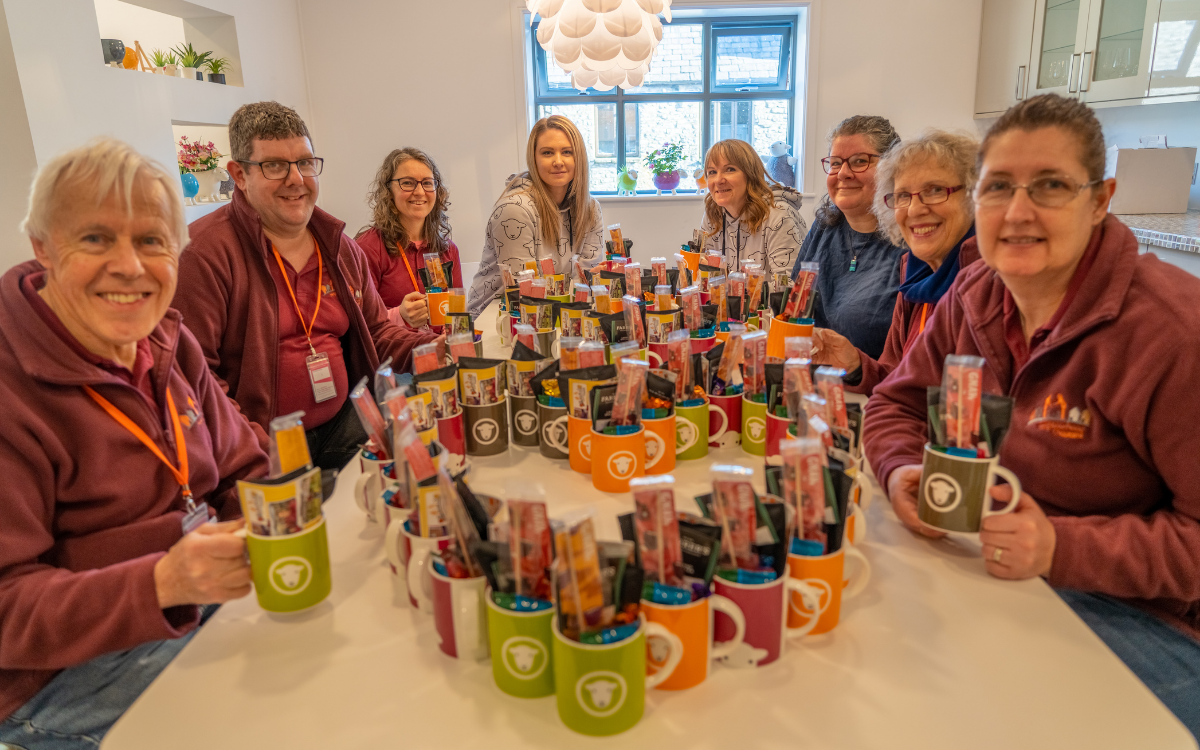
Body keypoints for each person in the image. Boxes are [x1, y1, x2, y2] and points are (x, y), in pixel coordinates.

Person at [864, 94, 1200, 735]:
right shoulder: (975, 294)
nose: (1017, 213)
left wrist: (1058, 546)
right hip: (996, 573)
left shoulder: (1172, 332)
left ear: (1100, 200)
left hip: (1134, 615)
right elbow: (895, 404)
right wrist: (903, 471)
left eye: (1049, 186)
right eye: (997, 189)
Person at [0, 139, 269, 750]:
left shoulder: (170, 342)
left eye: (151, 241)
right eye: (95, 239)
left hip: (192, 601)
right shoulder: (10, 384)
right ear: (42, 247)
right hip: (57, 674)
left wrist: (267, 528)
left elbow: (245, 467)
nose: (131, 267)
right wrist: (161, 584)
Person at [175, 102, 440, 470]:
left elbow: (376, 331)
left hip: (347, 427)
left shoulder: (339, 247)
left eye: (304, 163)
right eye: (274, 166)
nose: (296, 179)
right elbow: (195, 378)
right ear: (238, 174)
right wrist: (256, 453)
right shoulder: (204, 254)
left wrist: (435, 350)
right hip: (264, 451)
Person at [812, 130, 978, 395]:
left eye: (935, 190)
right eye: (903, 196)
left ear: (975, 196)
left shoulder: (990, 283)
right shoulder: (916, 276)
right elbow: (898, 381)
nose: (914, 209)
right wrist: (856, 366)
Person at [791, 115, 905, 359]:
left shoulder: (908, 241)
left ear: (892, 167)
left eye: (859, 161)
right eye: (834, 163)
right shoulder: (825, 226)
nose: (843, 173)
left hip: (870, 388)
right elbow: (793, 305)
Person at [466, 115, 604, 316]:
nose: (558, 161)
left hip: (555, 314)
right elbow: (526, 294)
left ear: (579, 158)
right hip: (493, 319)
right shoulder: (514, 209)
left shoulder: (590, 208)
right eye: (547, 153)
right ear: (534, 159)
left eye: (567, 152)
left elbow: (587, 281)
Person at [355, 148, 463, 329]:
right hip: (396, 355)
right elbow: (358, 322)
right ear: (388, 191)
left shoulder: (448, 249)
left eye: (427, 183)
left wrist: (453, 333)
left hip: (442, 352)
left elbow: (456, 314)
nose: (420, 192)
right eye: (407, 183)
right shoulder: (368, 248)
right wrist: (399, 316)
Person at [699, 138, 806, 276]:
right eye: (712, 172)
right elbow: (708, 274)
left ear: (751, 174)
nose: (719, 180)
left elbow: (789, 285)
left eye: (730, 169)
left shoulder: (779, 215)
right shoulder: (713, 214)